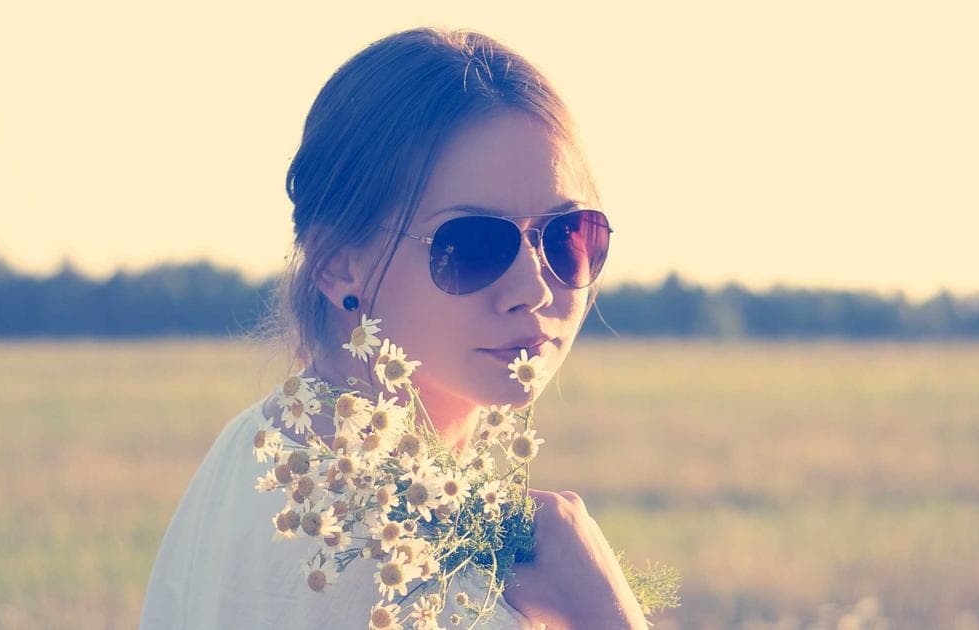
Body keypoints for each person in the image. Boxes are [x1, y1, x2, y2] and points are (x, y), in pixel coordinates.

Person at [139, 27, 647, 629]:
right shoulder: (393, 563)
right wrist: (605, 612)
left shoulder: (255, 452)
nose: (536, 288)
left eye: (568, 236)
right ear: (337, 265)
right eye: (472, 244)